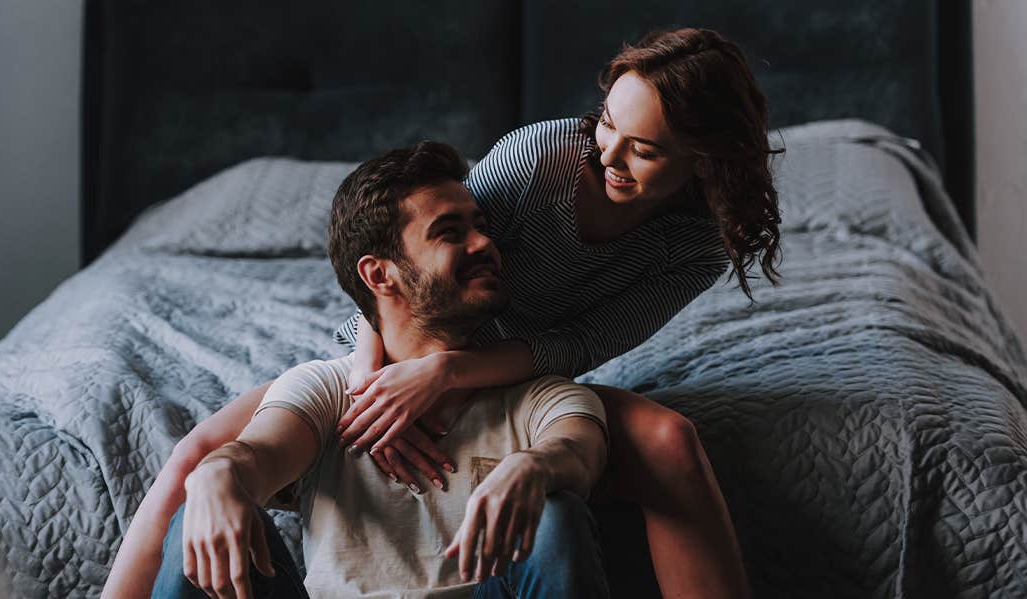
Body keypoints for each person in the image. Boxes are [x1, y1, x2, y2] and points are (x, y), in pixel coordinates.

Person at [104, 27, 779, 599]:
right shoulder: (541, 160)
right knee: (201, 454)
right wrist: (372, 390)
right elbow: (412, 257)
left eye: (645, 148)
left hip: (514, 365)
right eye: (608, 121)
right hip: (416, 335)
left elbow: (582, 342)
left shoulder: (696, 249)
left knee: (671, 443)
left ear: (704, 161)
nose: (609, 153)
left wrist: (453, 375)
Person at [151, 141, 611, 599]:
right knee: (195, 511)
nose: (485, 243)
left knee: (554, 512)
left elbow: (577, 449)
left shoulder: (541, 397)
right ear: (378, 275)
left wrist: (536, 465)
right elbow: (262, 454)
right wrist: (219, 471)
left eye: (482, 227)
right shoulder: (326, 390)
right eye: (450, 232)